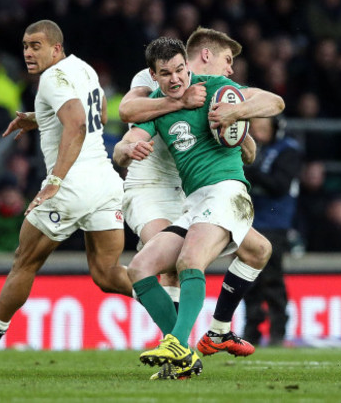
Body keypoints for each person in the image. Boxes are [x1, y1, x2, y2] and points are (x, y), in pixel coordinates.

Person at [0, 20, 131, 362]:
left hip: (72, 186)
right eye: (24, 46)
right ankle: (170, 303)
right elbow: (100, 115)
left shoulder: (51, 78)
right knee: (108, 273)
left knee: (25, 261)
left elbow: (77, 122)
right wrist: (41, 117)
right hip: (106, 183)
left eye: (36, 46)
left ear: (55, 48)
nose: (28, 53)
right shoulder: (85, 69)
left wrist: (55, 180)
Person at [117, 28, 283, 379]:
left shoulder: (215, 88)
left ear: (188, 64)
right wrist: (127, 148)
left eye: (179, 69)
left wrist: (236, 115)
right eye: (166, 73)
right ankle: (196, 347)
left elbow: (274, 102)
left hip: (227, 193)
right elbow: (130, 121)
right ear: (155, 76)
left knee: (190, 259)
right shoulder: (158, 105)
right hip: (193, 202)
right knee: (139, 268)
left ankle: (177, 342)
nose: (175, 78)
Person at [242, 116, 302, 347]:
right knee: (246, 279)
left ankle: (278, 331)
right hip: (249, 222)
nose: (257, 131)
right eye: (255, 127)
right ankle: (251, 331)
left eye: (262, 127)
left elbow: (279, 185)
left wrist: (251, 171)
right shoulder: (255, 148)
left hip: (274, 223)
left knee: (271, 278)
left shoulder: (288, 151)